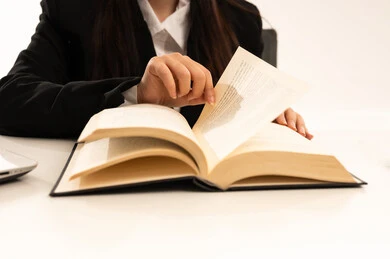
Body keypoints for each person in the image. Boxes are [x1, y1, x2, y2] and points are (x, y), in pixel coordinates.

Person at [0, 0, 313, 139]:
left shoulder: (241, 18)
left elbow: (249, 109)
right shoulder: (73, 7)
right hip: (106, 208)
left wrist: (266, 113)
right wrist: (134, 94)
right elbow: (10, 99)